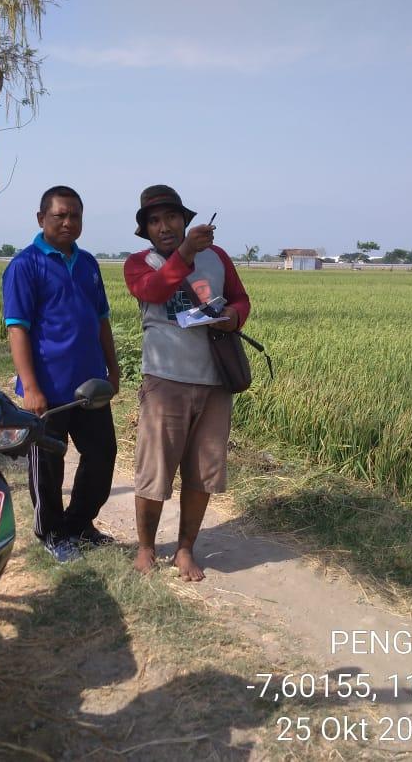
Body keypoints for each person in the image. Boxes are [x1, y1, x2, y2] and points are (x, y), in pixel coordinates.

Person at [123, 185, 251, 581]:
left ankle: (185, 549)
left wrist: (232, 317)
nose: (165, 226)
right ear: (146, 229)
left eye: (173, 217)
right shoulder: (138, 263)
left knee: (202, 472)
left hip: (214, 383)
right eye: (156, 220)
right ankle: (146, 548)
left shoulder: (218, 258)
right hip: (165, 381)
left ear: (186, 220)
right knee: (155, 469)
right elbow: (155, 289)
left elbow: (240, 300)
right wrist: (185, 254)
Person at [2, 186, 121, 563]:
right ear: (42, 219)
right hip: (48, 390)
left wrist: (113, 369)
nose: (68, 222)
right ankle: (51, 532)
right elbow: (17, 328)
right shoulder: (25, 265)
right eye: (60, 216)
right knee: (47, 466)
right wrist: (31, 387)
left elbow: (101, 321)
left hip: (90, 386)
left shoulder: (88, 264)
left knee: (102, 454)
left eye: (75, 216)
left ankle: (80, 524)